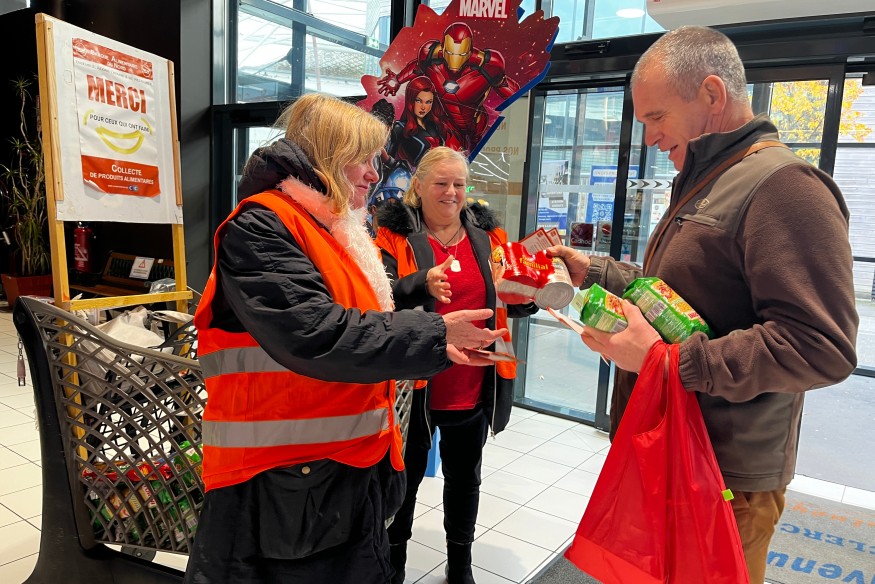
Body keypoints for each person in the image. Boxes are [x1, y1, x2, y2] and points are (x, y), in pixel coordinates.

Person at [549, 26, 858, 584]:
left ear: (712, 94)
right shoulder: (706, 179)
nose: (649, 137)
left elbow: (821, 346)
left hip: (723, 473)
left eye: (656, 117)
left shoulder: (785, 186)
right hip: (676, 448)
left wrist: (668, 363)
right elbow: (673, 295)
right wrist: (592, 271)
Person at [185, 94, 508, 584]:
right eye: (365, 159)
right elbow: (318, 332)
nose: (375, 174)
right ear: (330, 155)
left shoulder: (332, 228)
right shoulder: (263, 225)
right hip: (277, 486)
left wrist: (437, 338)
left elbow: (363, 318)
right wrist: (435, 331)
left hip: (338, 472)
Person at [375, 146, 538, 584]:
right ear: (419, 186)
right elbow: (379, 297)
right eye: (442, 183)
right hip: (413, 387)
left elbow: (508, 299)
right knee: (404, 484)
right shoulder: (392, 236)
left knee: (465, 481)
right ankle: (393, 567)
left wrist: (533, 293)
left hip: (473, 384)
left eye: (459, 184)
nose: (451, 192)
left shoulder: (489, 237)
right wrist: (420, 282)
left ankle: (460, 564)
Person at [377, 22, 519, 153]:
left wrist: (521, 110)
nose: (455, 60)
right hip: (449, 125)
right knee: (450, 157)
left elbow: (510, 92)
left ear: (469, 51)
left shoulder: (487, 66)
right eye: (450, 53)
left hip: (476, 124)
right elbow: (417, 67)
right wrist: (397, 80)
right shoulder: (431, 57)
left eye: (462, 54)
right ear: (443, 48)